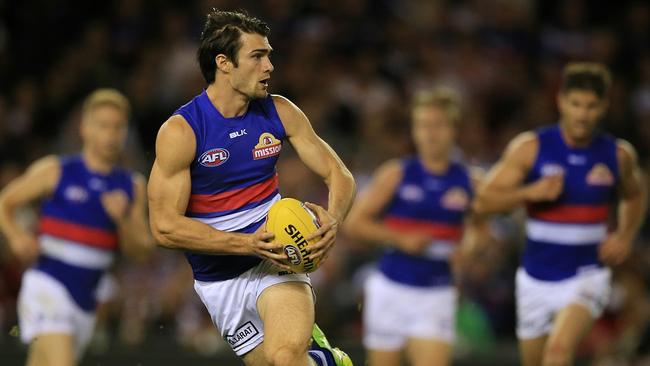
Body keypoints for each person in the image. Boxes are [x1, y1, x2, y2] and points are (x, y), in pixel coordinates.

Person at [147, 9, 356, 366]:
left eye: (269, 55)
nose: (269, 66)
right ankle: (327, 361)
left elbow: (339, 175)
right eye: (258, 56)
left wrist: (333, 220)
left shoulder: (280, 111)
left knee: (285, 358)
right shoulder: (182, 131)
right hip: (218, 282)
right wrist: (246, 243)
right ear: (224, 63)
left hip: (277, 259)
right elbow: (164, 226)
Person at [474, 62, 647, 366]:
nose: (583, 114)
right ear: (561, 102)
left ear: (603, 107)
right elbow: (484, 202)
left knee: (558, 352)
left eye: (591, 106)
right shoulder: (530, 148)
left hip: (586, 275)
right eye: (576, 104)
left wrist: (626, 234)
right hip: (535, 280)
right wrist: (529, 193)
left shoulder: (617, 155)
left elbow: (635, 193)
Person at [0, 89, 152, 366]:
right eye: (103, 125)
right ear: (84, 128)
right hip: (46, 283)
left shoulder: (132, 186)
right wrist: (16, 236)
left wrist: (123, 219)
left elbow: (142, 252)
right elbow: (5, 202)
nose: (111, 134)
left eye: (118, 127)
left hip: (87, 299)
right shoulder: (56, 170)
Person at [344, 87, 487, 366]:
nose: (430, 133)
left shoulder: (471, 182)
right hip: (390, 289)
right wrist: (400, 238)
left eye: (438, 125)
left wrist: (469, 249)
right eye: (422, 125)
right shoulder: (396, 173)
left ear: (453, 129)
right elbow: (354, 223)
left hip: (436, 292)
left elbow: (480, 230)